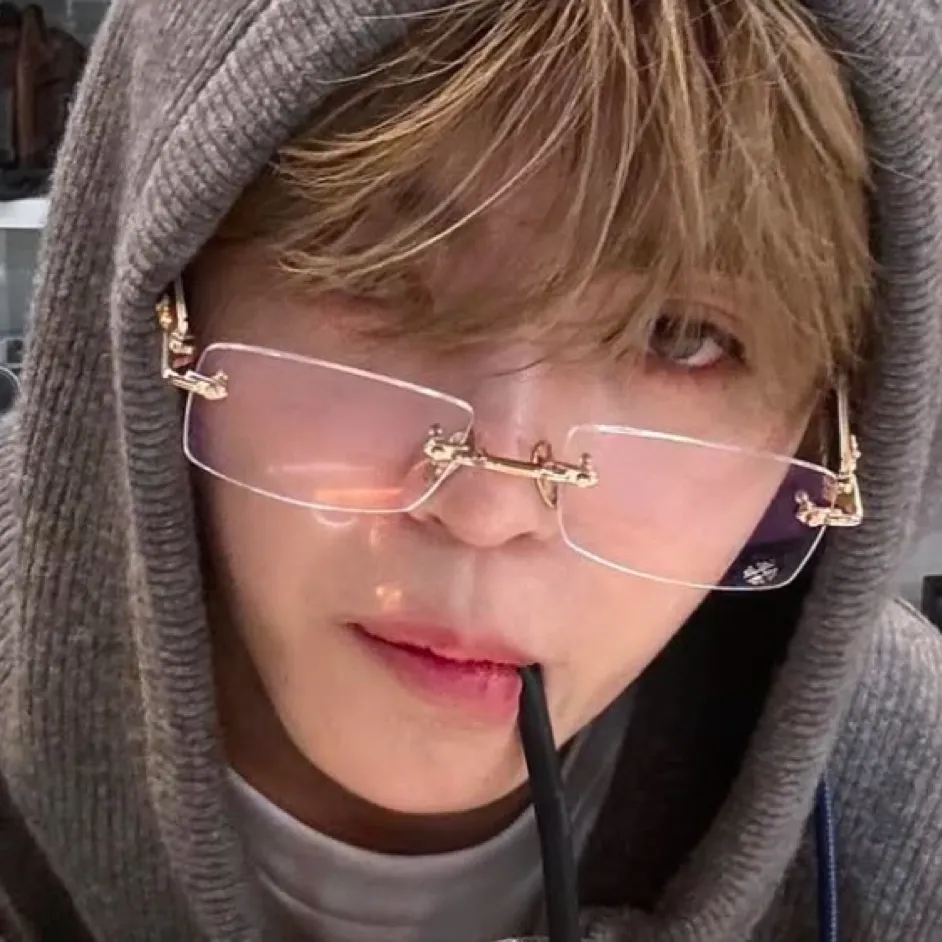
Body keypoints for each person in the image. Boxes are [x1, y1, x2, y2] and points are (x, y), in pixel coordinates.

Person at [1, 0, 941, 939]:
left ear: (832, 431)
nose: (490, 510)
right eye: (377, 267)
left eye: (682, 338)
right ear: (165, 294)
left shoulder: (911, 796)